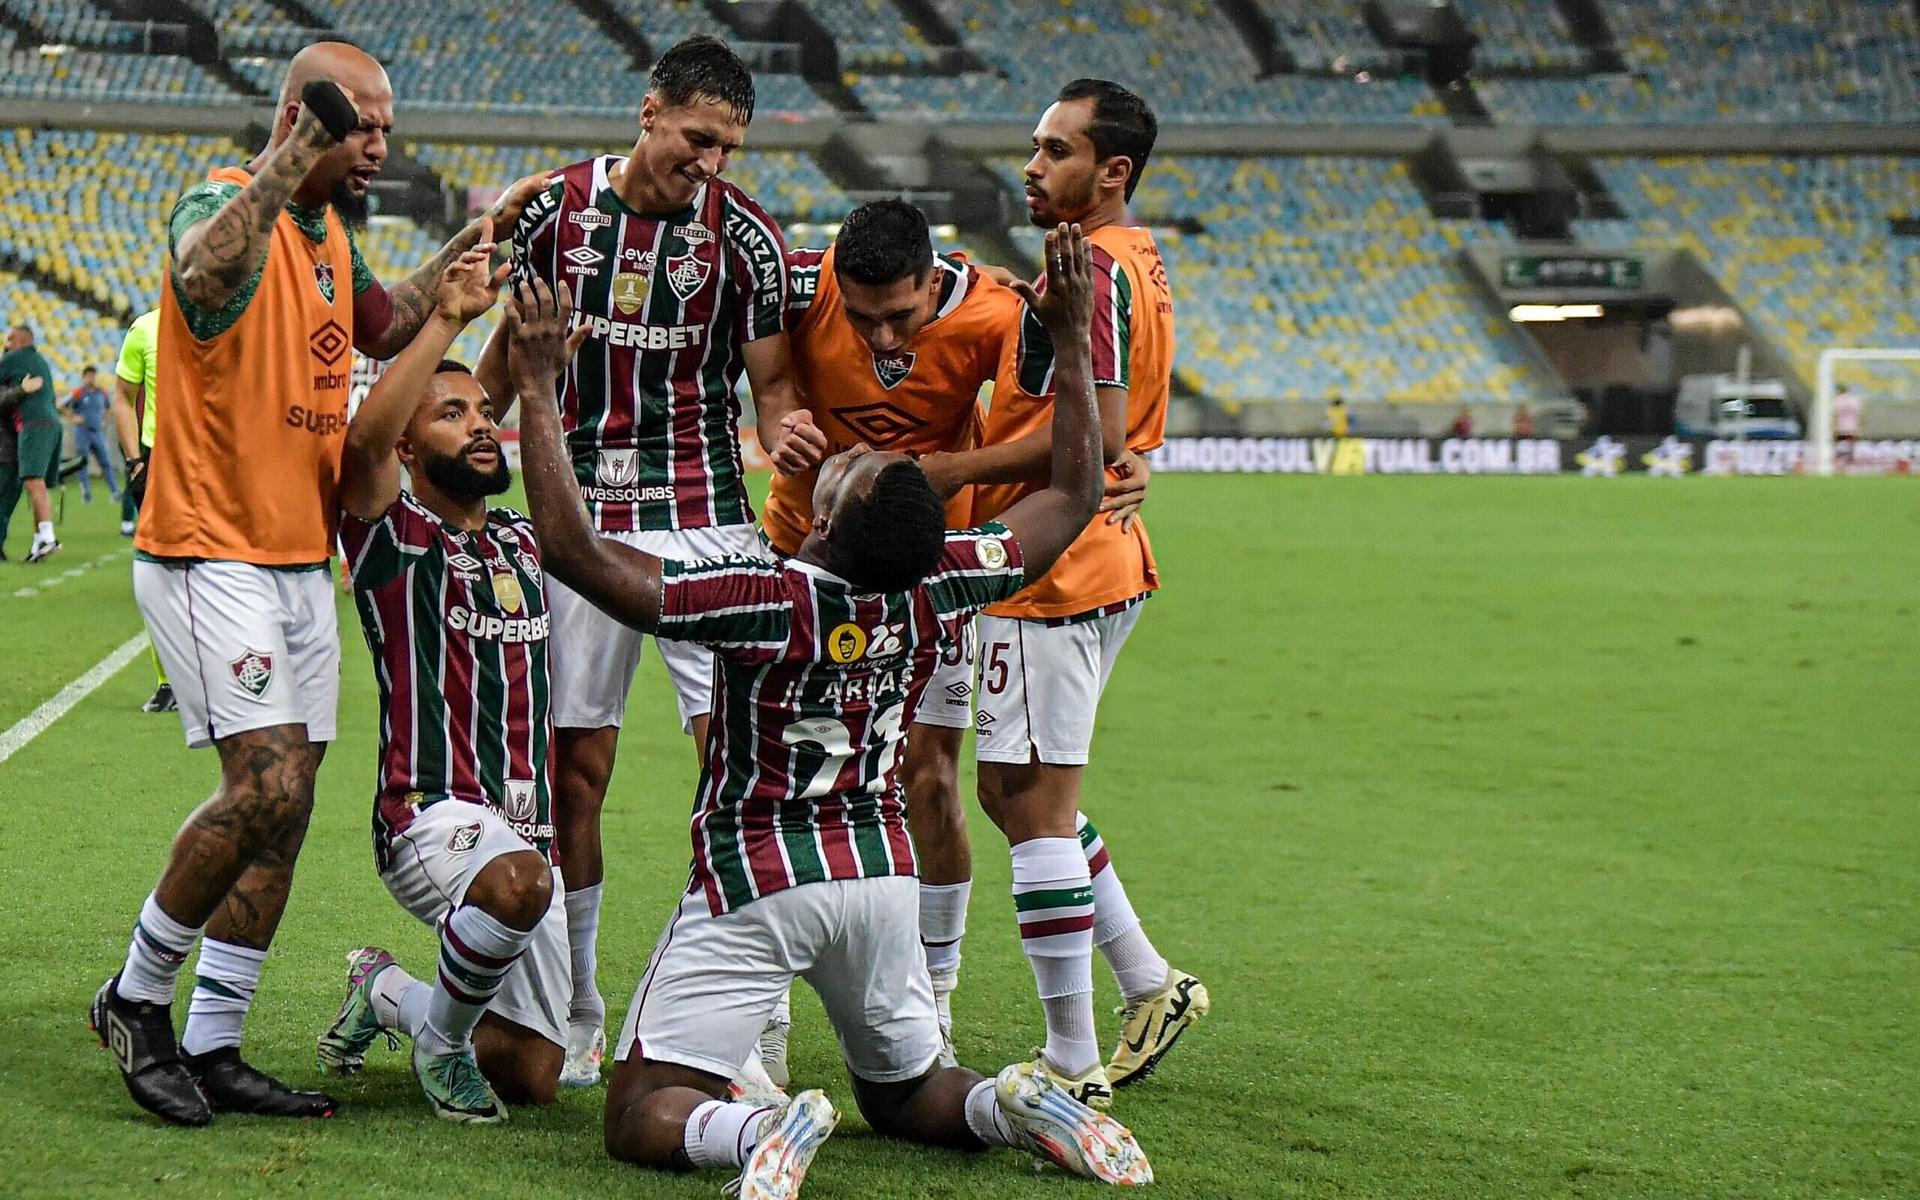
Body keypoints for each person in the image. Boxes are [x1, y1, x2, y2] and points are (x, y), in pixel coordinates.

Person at [509, 227, 1151, 1191]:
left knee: (641, 1109)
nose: (844, 460)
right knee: (907, 1093)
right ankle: (1010, 1105)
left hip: (758, 878)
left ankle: (751, 1134)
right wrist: (1068, 344)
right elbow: (1070, 492)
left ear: (825, 519)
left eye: (847, 474)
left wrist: (535, 387)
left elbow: (574, 554)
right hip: (883, 879)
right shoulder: (941, 582)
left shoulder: (762, 598)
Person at [89, 41, 544, 1127]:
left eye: (387, 128)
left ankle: (213, 1040)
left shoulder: (332, 235)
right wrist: (293, 152)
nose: (381, 147)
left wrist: (473, 251)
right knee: (268, 789)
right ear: (305, 117)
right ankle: (138, 998)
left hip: (298, 556)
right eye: (365, 126)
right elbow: (203, 272)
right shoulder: (225, 201)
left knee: (286, 822)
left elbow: (389, 321)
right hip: (211, 544)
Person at [482, 33, 828, 1087]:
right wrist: (455, 451)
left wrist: (789, 428)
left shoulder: (751, 242)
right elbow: (501, 361)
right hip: (578, 522)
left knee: (745, 768)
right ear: (648, 110)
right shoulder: (550, 216)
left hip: (704, 520)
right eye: (696, 137)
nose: (711, 162)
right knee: (572, 774)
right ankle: (582, 1006)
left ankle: (751, 1027)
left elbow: (770, 388)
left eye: (728, 147)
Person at [753, 198, 1149, 1083]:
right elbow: (747, 378)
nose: (885, 337)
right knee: (767, 773)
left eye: (901, 314)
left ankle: (934, 995)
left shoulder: (995, 312)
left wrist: (1122, 455)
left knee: (926, 774)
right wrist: (780, 427)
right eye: (863, 318)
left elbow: (1068, 430)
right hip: (800, 554)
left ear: (936, 278)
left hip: (930, 573)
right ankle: (765, 1017)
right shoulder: (790, 289)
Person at [967, 79, 1207, 1110]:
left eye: (1058, 150)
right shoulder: (1135, 255)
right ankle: (1150, 983)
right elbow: (1125, 427)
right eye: (1035, 145)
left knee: (1037, 808)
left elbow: (1101, 435)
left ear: (1113, 171)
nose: (1033, 164)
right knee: (1016, 796)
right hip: (1094, 558)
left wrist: (943, 470)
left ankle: (1071, 1061)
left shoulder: (1098, 265)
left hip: (1054, 568)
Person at [313, 233, 570, 1124]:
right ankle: (437, 1044)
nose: (478, 425)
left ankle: (384, 993)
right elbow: (361, 442)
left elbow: (497, 391)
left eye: (479, 412)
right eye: (450, 416)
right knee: (517, 889)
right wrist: (449, 316)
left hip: (524, 829)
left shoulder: (521, 540)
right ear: (411, 451)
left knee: (534, 1072)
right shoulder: (394, 536)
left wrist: (515, 307)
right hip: (429, 814)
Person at [113, 308, 174, 711]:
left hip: (221, 464)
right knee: (161, 571)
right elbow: (122, 396)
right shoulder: (146, 329)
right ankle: (168, 680)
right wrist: (135, 461)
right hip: (159, 463)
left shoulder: (237, 323)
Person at [0, 324, 61, 562]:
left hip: (32, 428)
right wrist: (22, 390)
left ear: (19, 341)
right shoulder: (39, 362)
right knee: (34, 484)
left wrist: (20, 392)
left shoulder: (15, 360)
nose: (6, 345)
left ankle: (46, 537)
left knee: (33, 483)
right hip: (47, 424)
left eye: (9, 340)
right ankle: (39, 542)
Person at [64, 365, 119, 502]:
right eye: (88, 376)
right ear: (83, 377)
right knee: (82, 463)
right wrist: (73, 417)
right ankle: (86, 494)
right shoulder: (78, 393)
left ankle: (115, 492)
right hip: (82, 433)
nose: (91, 378)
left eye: (93, 375)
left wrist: (103, 421)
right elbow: (61, 404)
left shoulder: (102, 392)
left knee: (105, 462)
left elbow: (108, 408)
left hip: (98, 433)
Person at [1831, 383, 1861, 468]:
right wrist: (1859, 426)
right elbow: (1859, 414)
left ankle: (1838, 464)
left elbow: (1835, 415)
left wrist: (1833, 426)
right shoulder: (1854, 400)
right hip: (1852, 427)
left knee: (1838, 446)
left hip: (1841, 427)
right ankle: (1850, 464)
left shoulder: (1837, 400)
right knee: (1851, 447)